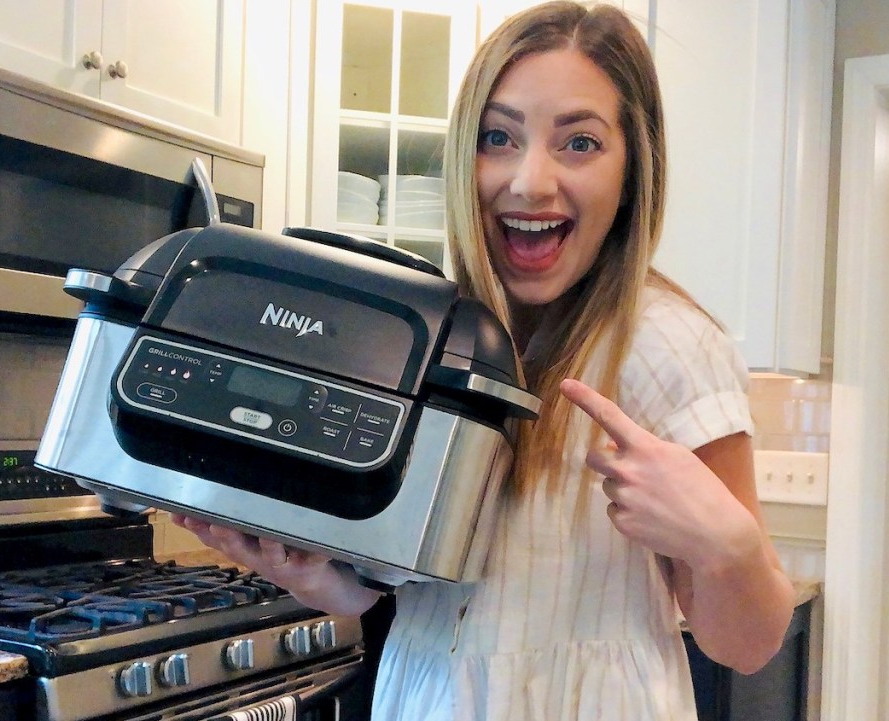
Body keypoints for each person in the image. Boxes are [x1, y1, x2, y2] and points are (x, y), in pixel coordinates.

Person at [174, 2, 796, 718]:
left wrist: (724, 544)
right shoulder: (433, 335)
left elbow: (747, 645)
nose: (530, 180)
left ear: (634, 169)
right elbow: (395, 589)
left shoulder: (666, 344)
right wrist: (312, 573)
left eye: (580, 143)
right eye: (498, 137)